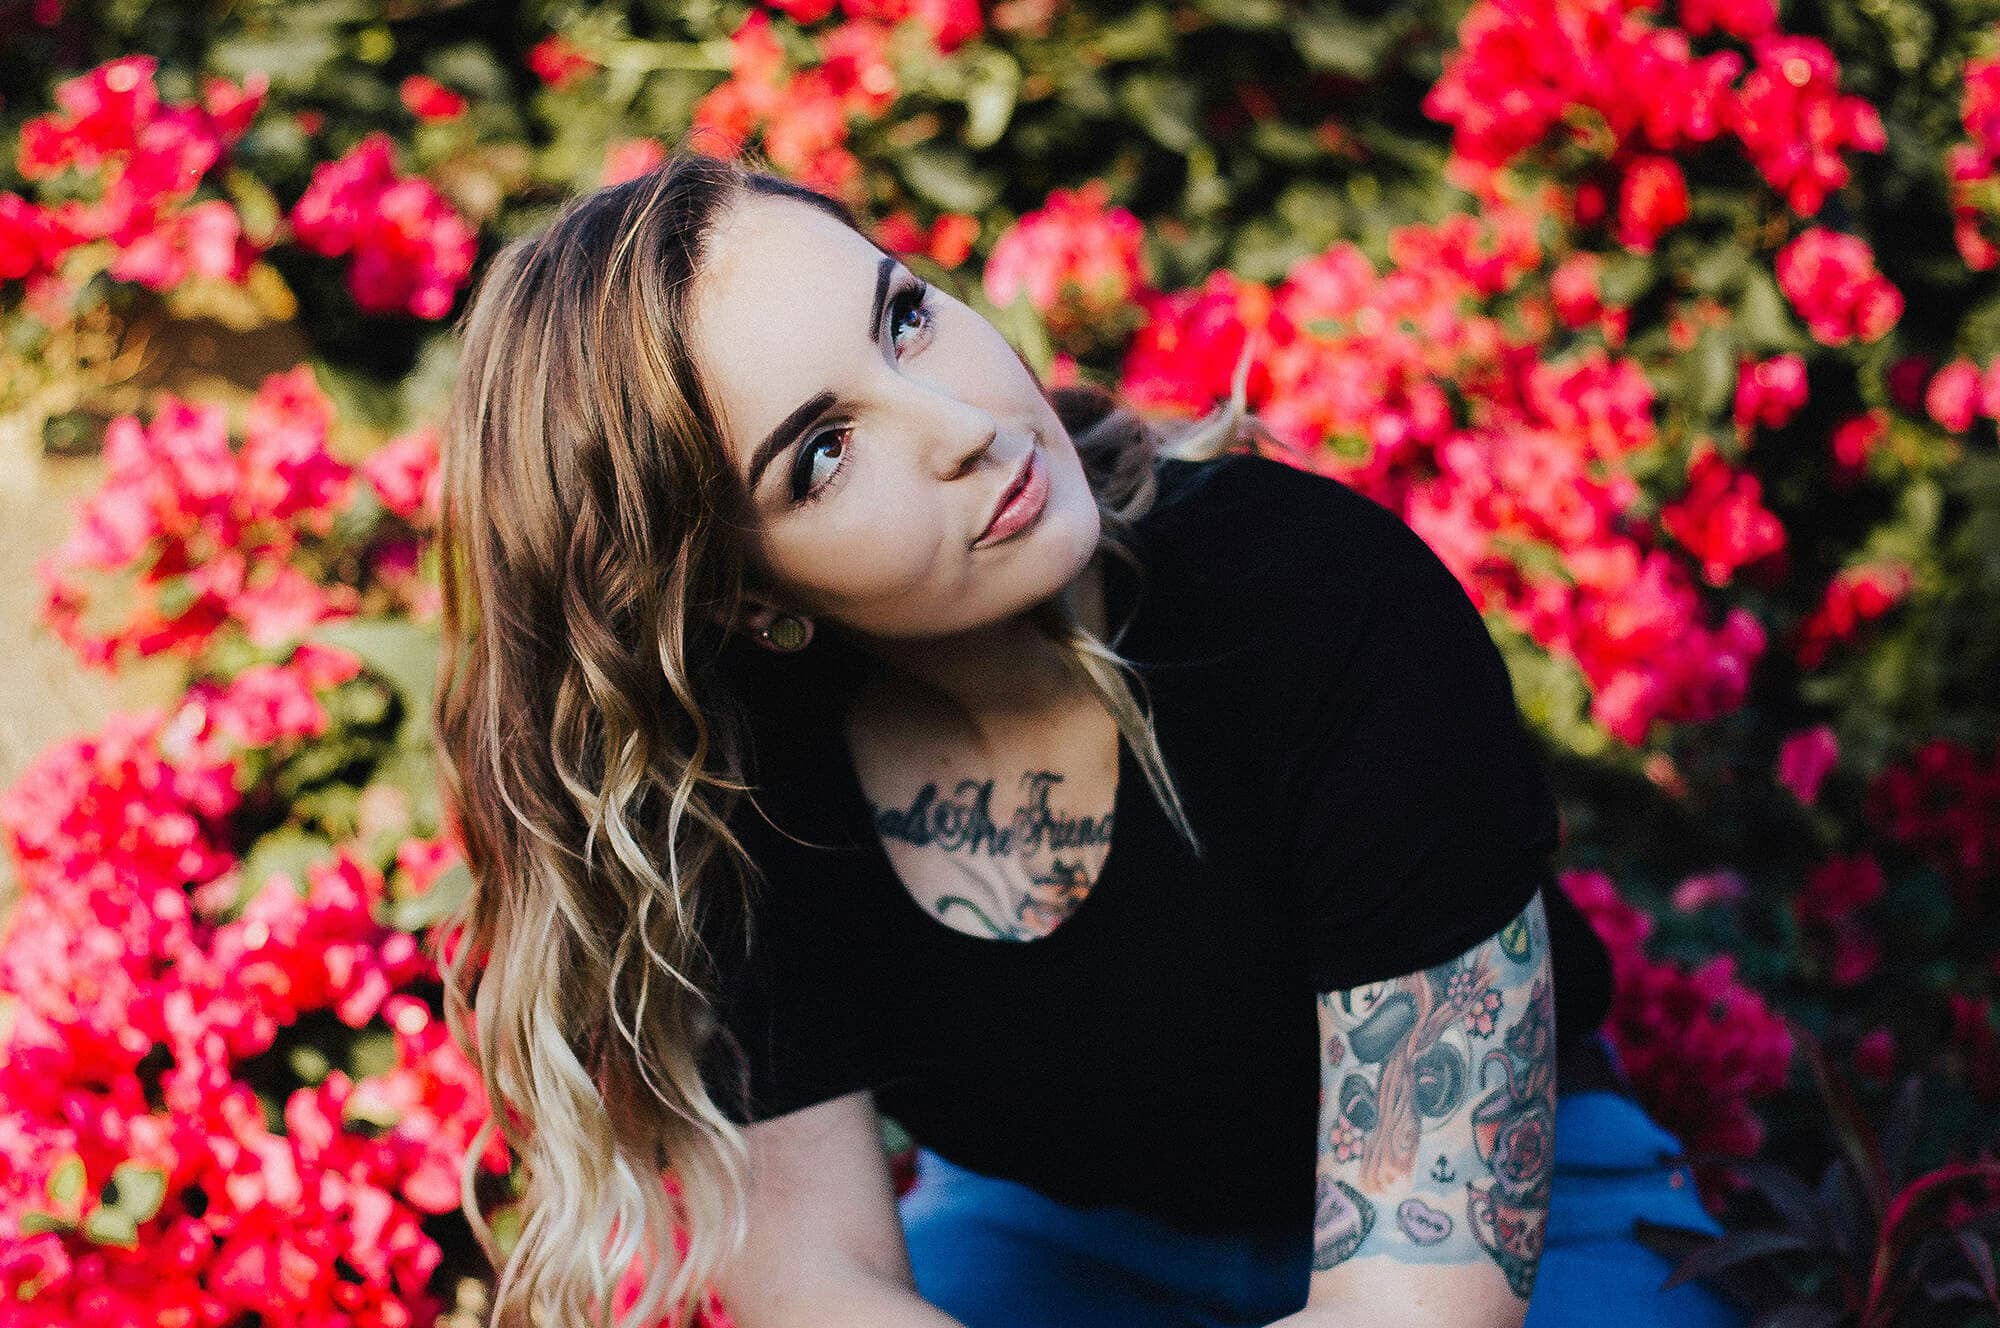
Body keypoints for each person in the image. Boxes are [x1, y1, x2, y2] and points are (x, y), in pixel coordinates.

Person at [430, 141, 1751, 1328]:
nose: (962, 426)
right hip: (1058, 1243)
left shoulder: (1321, 605)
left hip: (1516, 1233)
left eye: (904, 317)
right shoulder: (742, 780)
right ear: (739, 592)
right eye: (822, 454)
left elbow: (1422, 1310)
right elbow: (819, 1280)